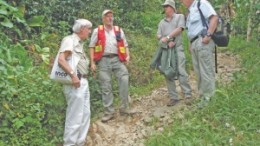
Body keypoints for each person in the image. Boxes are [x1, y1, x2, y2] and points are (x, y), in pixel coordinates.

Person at [89, 9, 134, 122]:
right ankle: (109, 112)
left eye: (111, 16)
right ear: (103, 18)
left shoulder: (118, 30)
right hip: (103, 60)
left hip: (117, 59)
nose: (110, 18)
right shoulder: (97, 31)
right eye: (107, 16)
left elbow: (125, 44)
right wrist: (92, 62)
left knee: (124, 79)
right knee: (106, 86)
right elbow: (91, 46)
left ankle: (124, 107)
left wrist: (127, 56)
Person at [57, 19, 92, 146]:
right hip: (75, 83)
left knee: (85, 114)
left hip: (83, 81)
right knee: (75, 116)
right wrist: (73, 75)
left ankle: (80, 142)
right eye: (88, 29)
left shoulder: (79, 43)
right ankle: (70, 144)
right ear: (82, 29)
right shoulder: (70, 40)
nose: (89, 31)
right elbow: (61, 60)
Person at [179, 0, 218, 108]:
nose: (182, 2)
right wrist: (191, 44)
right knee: (198, 71)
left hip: (203, 40)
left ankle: (209, 98)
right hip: (195, 43)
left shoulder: (202, 3)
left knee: (206, 70)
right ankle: (202, 96)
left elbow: (214, 18)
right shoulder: (191, 10)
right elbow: (191, 29)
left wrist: (208, 35)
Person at [157, 0, 192, 106]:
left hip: (178, 48)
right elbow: (158, 35)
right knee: (168, 72)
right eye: (164, 6)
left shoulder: (179, 17)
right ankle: (173, 97)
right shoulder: (161, 22)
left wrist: (168, 37)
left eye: (167, 6)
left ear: (172, 7)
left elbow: (180, 29)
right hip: (167, 50)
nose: (165, 8)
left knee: (181, 71)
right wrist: (167, 41)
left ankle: (187, 94)